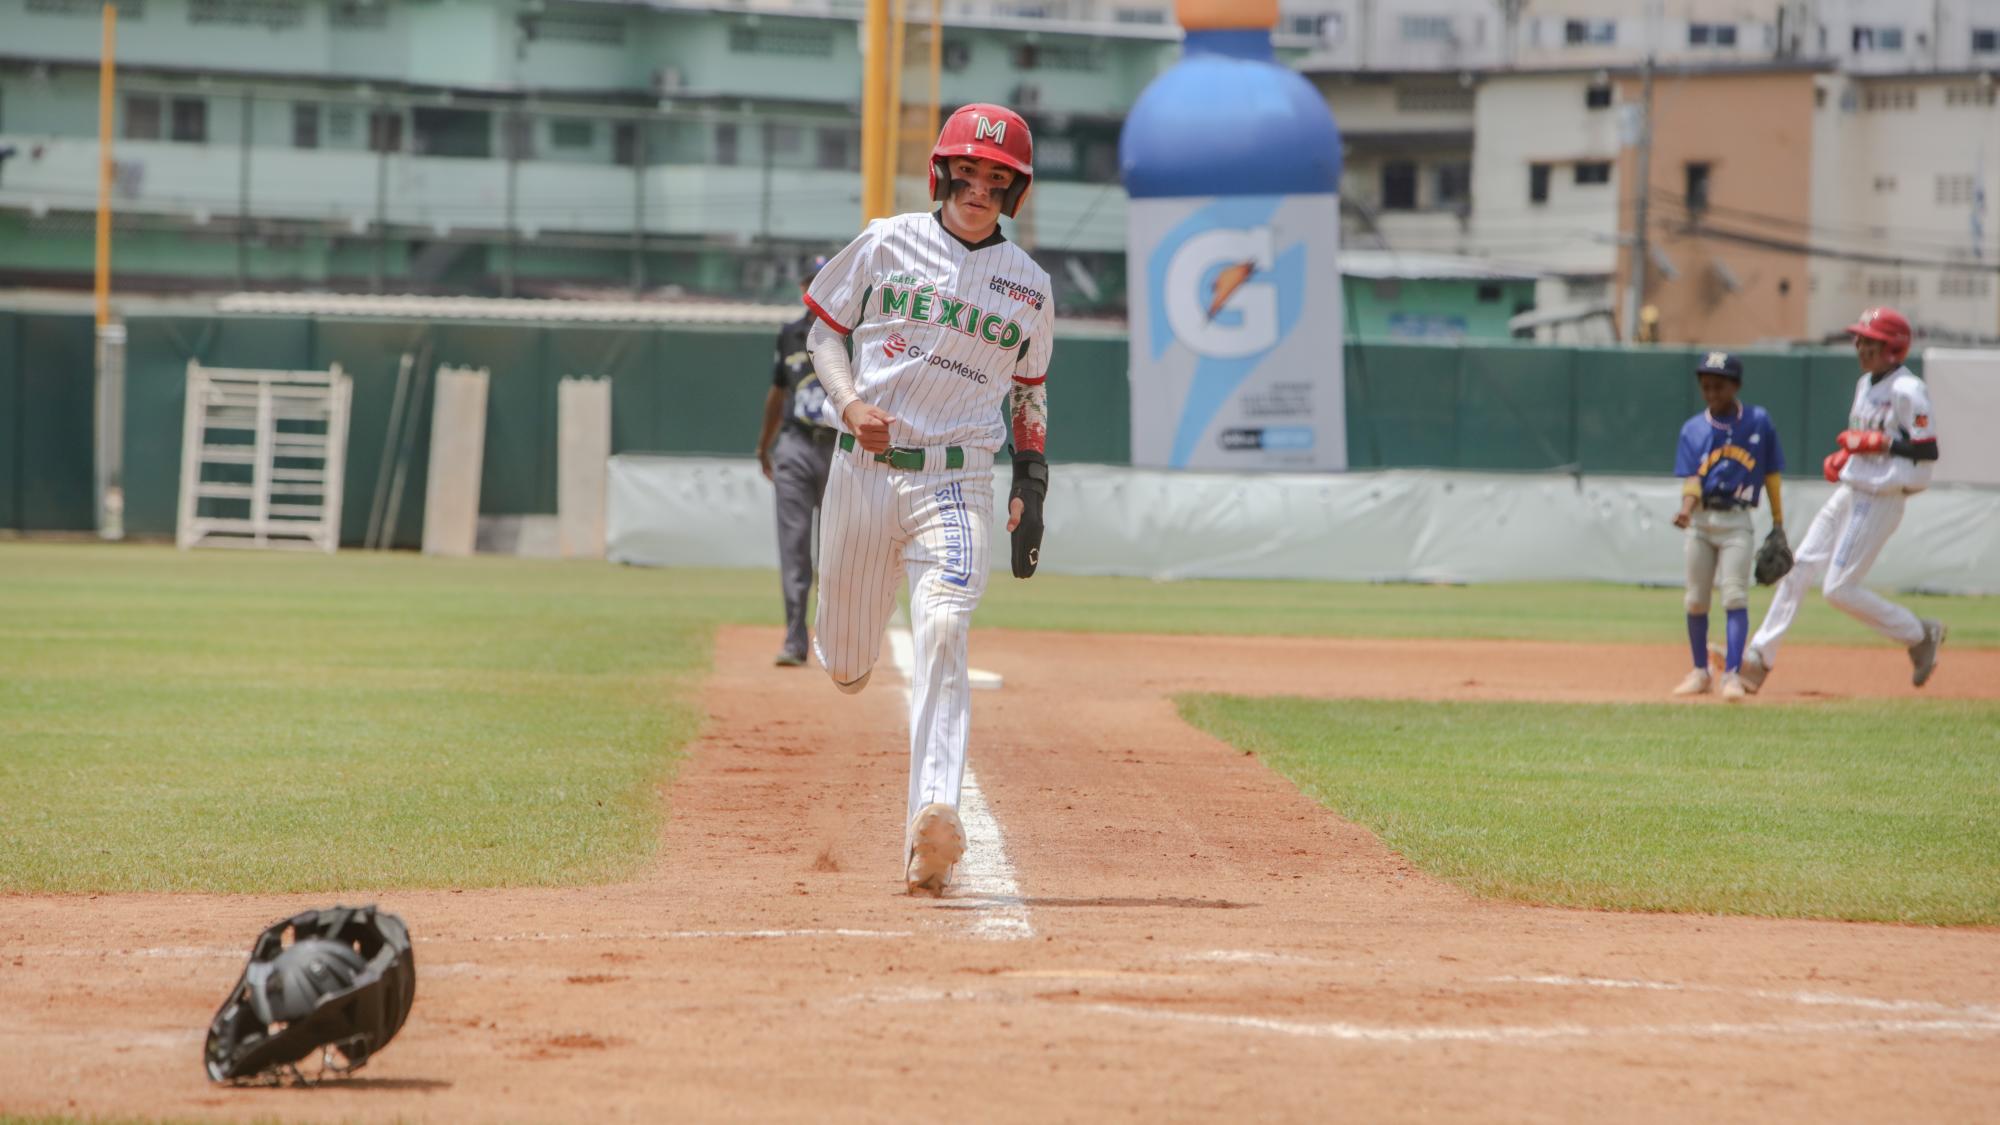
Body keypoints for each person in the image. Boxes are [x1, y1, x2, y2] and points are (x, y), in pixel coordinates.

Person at [799, 103, 1052, 896]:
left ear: (1013, 192)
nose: (979, 188)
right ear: (943, 174)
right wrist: (846, 403)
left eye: (996, 179)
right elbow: (821, 333)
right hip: (863, 472)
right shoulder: (884, 240)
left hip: (959, 477)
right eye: (967, 173)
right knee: (846, 662)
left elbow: (1030, 394)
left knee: (945, 621)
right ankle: (846, 655)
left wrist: (1032, 484)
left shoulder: (1032, 288)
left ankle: (933, 822)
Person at [1739, 307, 1946, 693]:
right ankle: (1757, 659)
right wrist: (1848, 455)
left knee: (1838, 589)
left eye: (1871, 340)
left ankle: (1919, 633)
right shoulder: (1865, 384)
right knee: (1798, 567)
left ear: (1894, 347)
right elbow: (1865, 438)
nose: (1861, 346)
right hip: (1852, 489)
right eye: (1860, 338)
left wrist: (1879, 443)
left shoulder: (1909, 389)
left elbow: (1928, 448)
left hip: (1882, 497)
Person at [1670, 352, 1785, 701]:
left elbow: (1771, 475)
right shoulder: (1693, 429)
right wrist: (1686, 510)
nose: (1711, 392)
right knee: (1695, 601)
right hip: (1702, 521)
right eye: (1705, 386)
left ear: (1735, 386)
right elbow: (1692, 478)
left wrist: (1779, 522)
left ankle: (1732, 675)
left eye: (1718, 386)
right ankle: (1700, 671)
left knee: (1735, 596)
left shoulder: (1758, 421)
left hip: (1737, 522)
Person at [755, 256, 839, 667]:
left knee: (839, 548)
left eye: (824, 279)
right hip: (795, 444)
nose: (816, 287)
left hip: (840, 448)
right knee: (794, 547)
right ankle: (794, 639)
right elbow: (777, 393)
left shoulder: (853, 333)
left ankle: (836, 637)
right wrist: (764, 445)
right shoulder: (790, 334)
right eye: (811, 280)